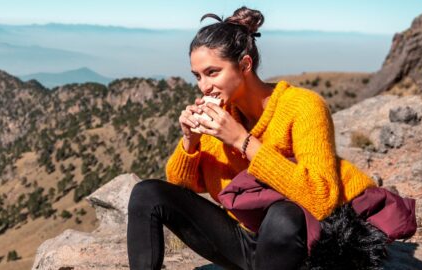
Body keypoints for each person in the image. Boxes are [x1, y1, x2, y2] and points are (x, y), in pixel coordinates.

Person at [127, 6, 378, 270]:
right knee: (147, 193)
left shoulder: (303, 106)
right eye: (198, 76)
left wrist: (242, 141)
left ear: (245, 65)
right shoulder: (221, 115)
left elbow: (320, 198)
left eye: (213, 72)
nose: (203, 86)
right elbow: (182, 186)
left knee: (282, 216)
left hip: (308, 245)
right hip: (247, 240)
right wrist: (190, 141)